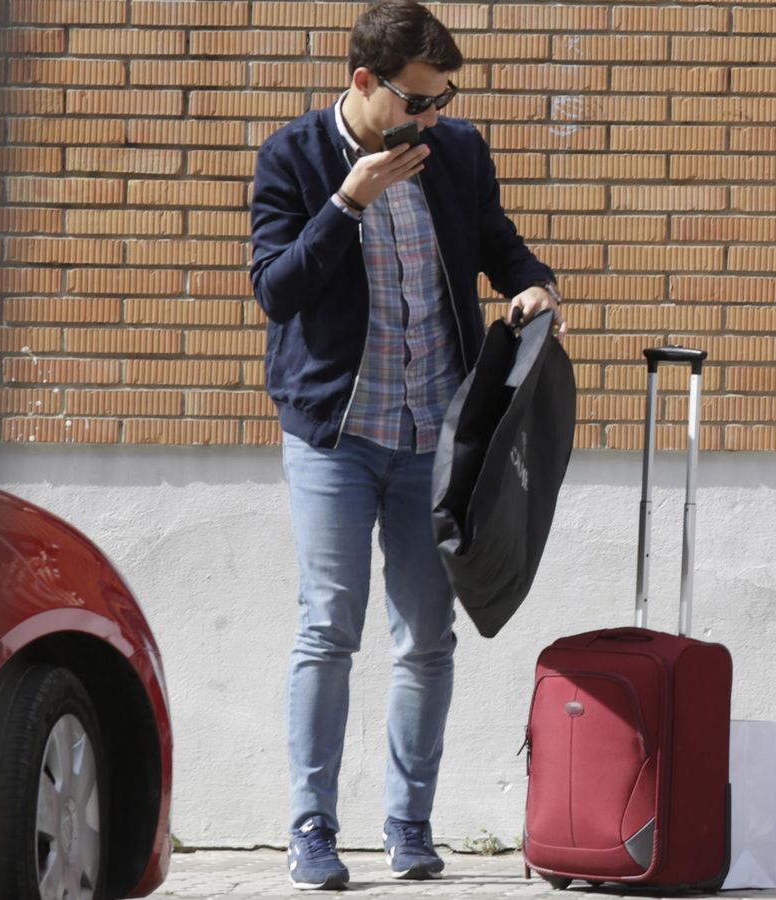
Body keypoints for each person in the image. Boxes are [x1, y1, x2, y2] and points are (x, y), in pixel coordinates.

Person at [249, 0, 562, 889]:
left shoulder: (455, 153)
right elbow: (277, 290)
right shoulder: (294, 157)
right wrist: (348, 201)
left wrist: (533, 284)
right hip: (337, 436)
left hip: (434, 434)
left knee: (428, 636)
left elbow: (500, 245)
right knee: (328, 627)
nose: (432, 118)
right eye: (418, 101)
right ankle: (311, 828)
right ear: (365, 81)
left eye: (443, 100)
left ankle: (408, 823)